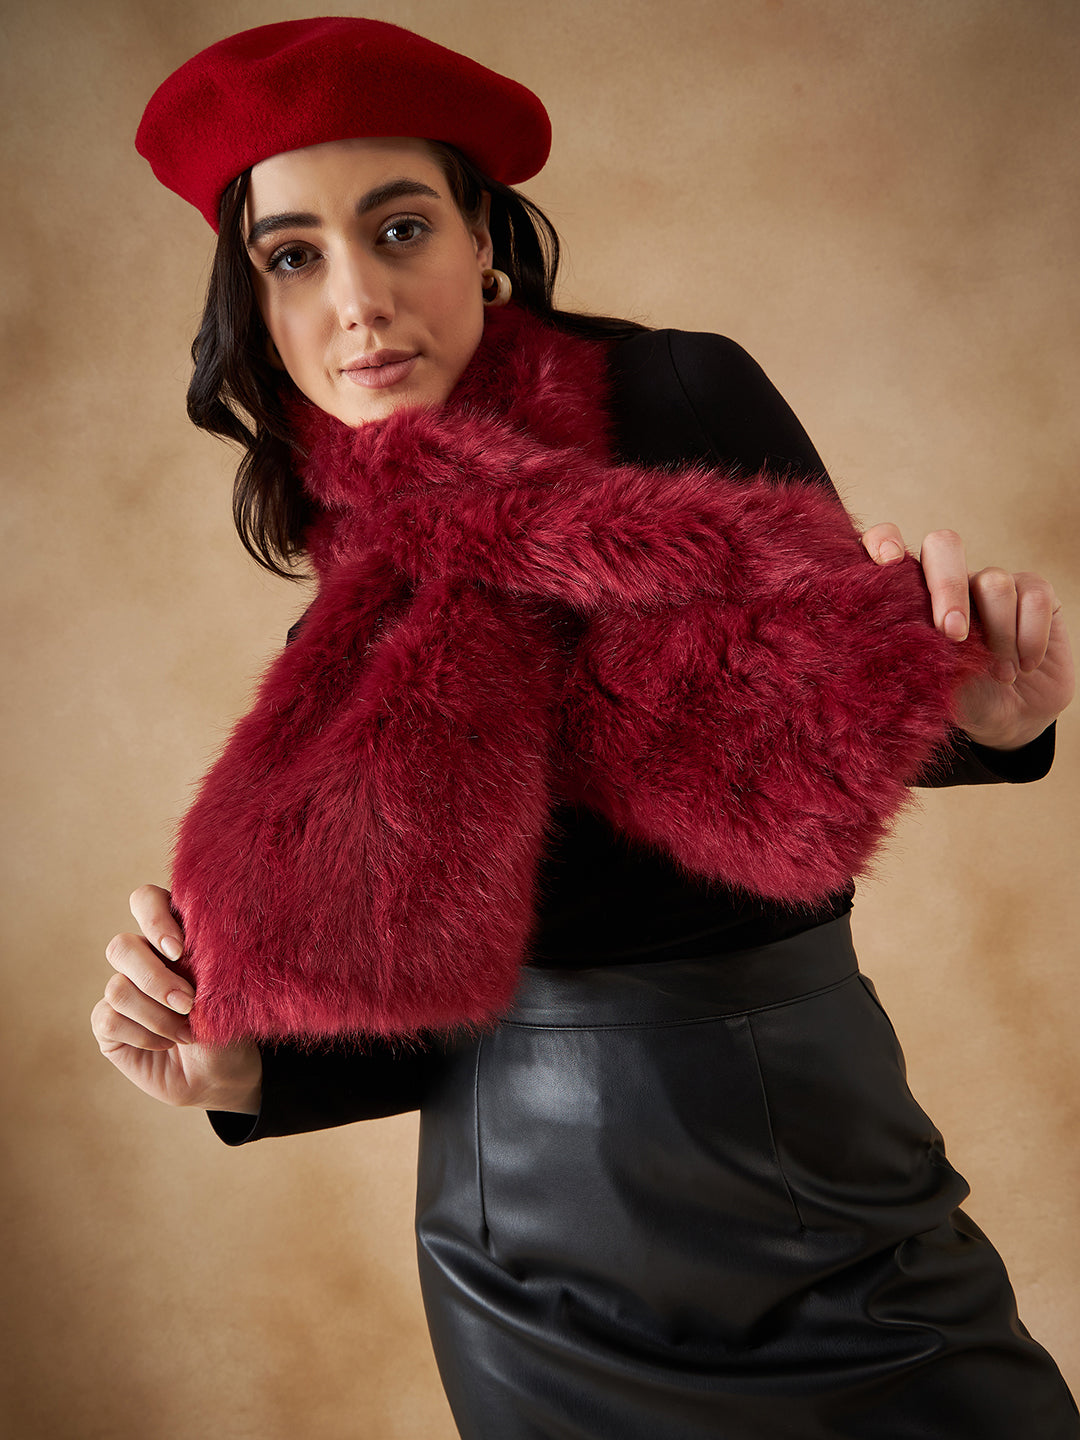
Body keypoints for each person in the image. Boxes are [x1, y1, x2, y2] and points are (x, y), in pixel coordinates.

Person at [91, 17, 1077, 1438]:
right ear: (253, 301)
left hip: (814, 1162)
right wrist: (242, 1067)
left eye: (400, 227)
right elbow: (461, 958)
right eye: (293, 256)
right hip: (523, 1252)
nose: (358, 301)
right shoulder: (356, 585)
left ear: (484, 238)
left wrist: (975, 711)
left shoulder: (675, 393)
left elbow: (810, 728)